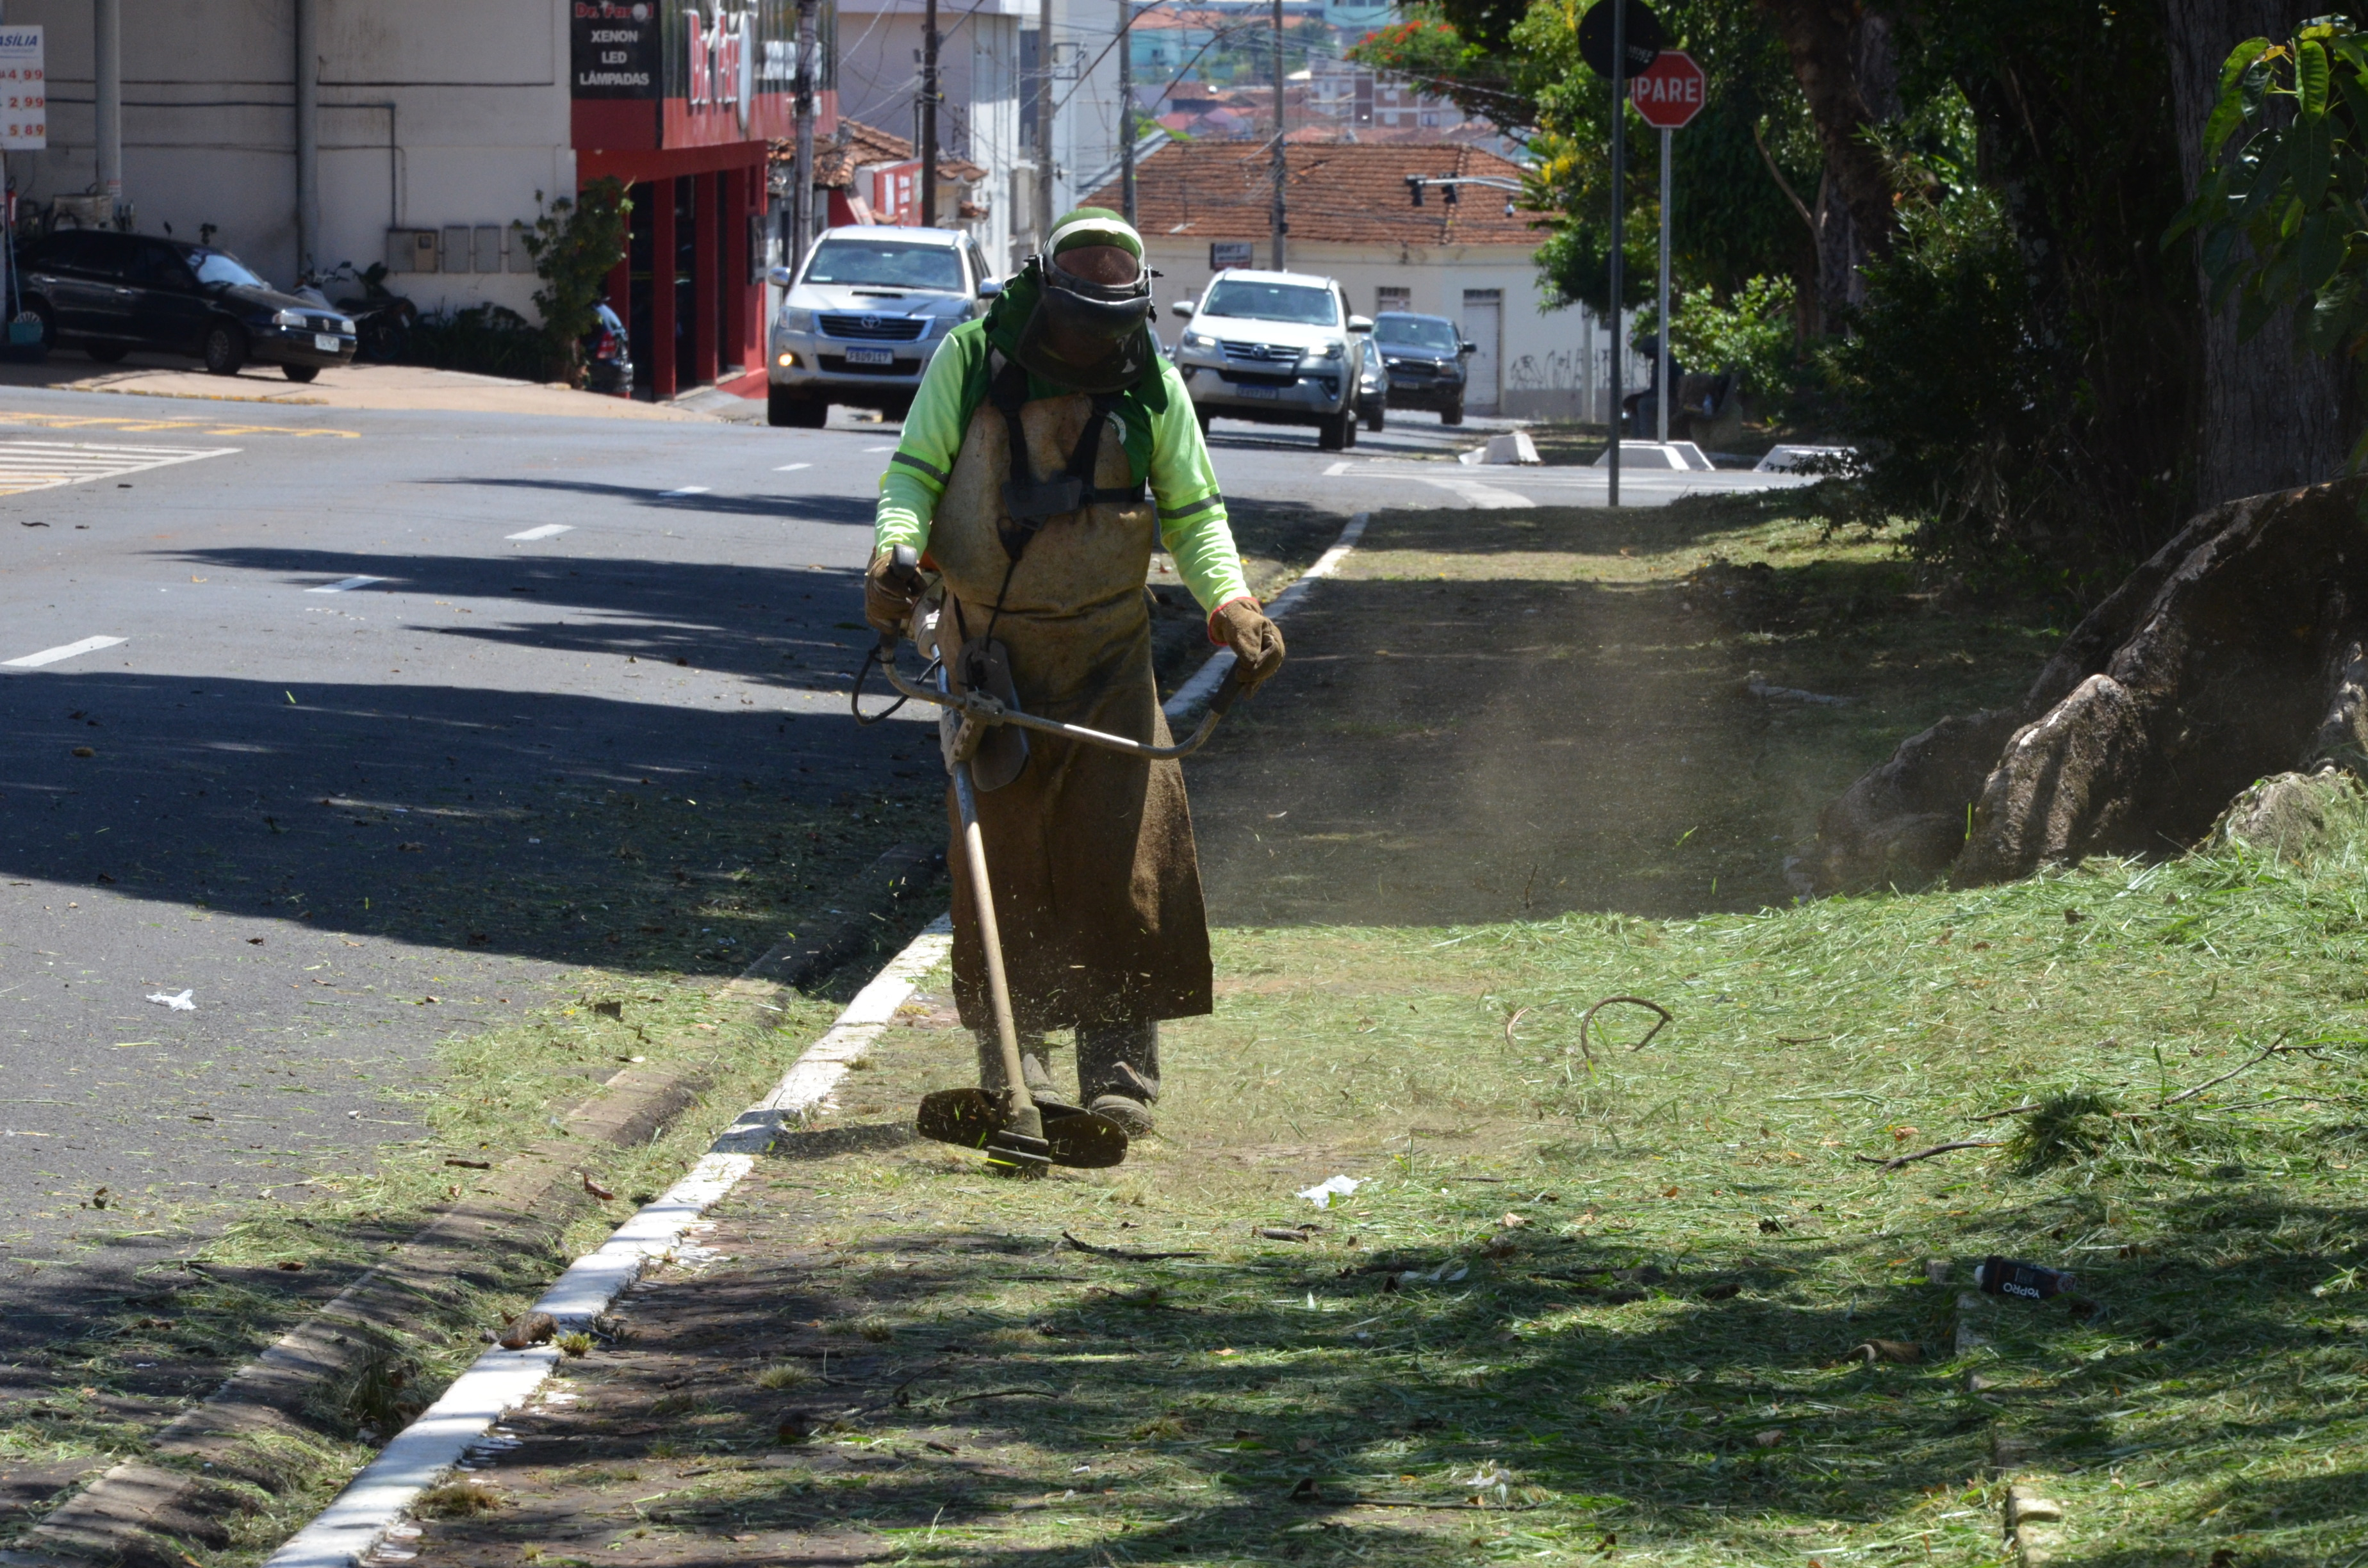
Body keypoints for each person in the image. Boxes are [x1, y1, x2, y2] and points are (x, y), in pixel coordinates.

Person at [863, 208, 1284, 1136]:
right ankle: (1018, 1074)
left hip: (1108, 659)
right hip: (992, 660)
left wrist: (1233, 605)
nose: (1096, 343)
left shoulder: (1152, 383)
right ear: (1047, 297)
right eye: (1080, 322)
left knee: (1122, 864)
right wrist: (896, 553)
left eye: (1113, 326)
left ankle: (1121, 1082)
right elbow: (912, 478)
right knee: (1002, 865)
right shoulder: (972, 360)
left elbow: (1196, 513)